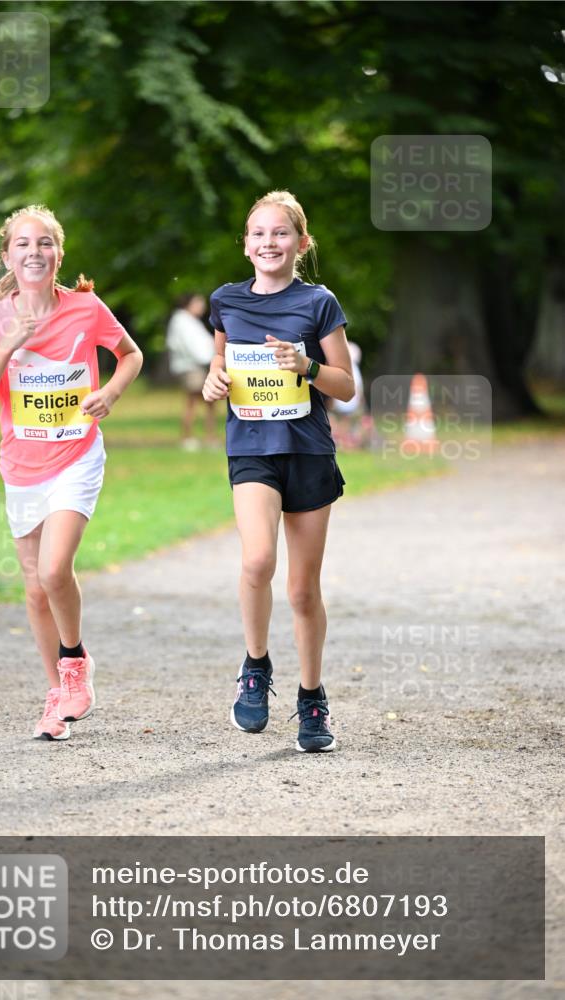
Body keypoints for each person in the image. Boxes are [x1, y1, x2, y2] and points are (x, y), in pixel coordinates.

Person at [0, 205, 143, 741]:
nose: (34, 252)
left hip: (77, 456)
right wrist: (9, 343)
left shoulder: (85, 308)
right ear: (7, 255)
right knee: (35, 588)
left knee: (53, 569)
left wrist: (109, 391)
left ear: (59, 254)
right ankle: (58, 694)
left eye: (44, 243)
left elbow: (129, 355)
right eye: (23, 244)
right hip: (21, 465)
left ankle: (74, 664)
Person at [203, 190, 355, 753]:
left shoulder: (319, 302)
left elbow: (346, 385)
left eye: (280, 233)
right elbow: (219, 362)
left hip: (309, 451)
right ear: (246, 245)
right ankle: (256, 666)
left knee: (301, 589)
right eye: (259, 234)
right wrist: (210, 380)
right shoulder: (226, 301)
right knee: (257, 560)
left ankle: (312, 698)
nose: (269, 242)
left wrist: (307, 365)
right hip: (252, 449)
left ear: (301, 242)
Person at [166, 292, 217, 449]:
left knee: (209, 402)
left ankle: (209, 437)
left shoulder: (190, 321)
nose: (202, 306)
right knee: (193, 402)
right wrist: (209, 358)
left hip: (198, 366)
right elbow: (192, 347)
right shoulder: (182, 321)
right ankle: (188, 438)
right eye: (199, 302)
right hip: (192, 367)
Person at [330, 341, 370, 449]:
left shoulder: (344, 367)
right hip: (348, 402)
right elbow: (358, 389)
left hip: (344, 402)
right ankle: (347, 442)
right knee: (347, 422)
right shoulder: (354, 370)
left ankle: (344, 442)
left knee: (343, 422)